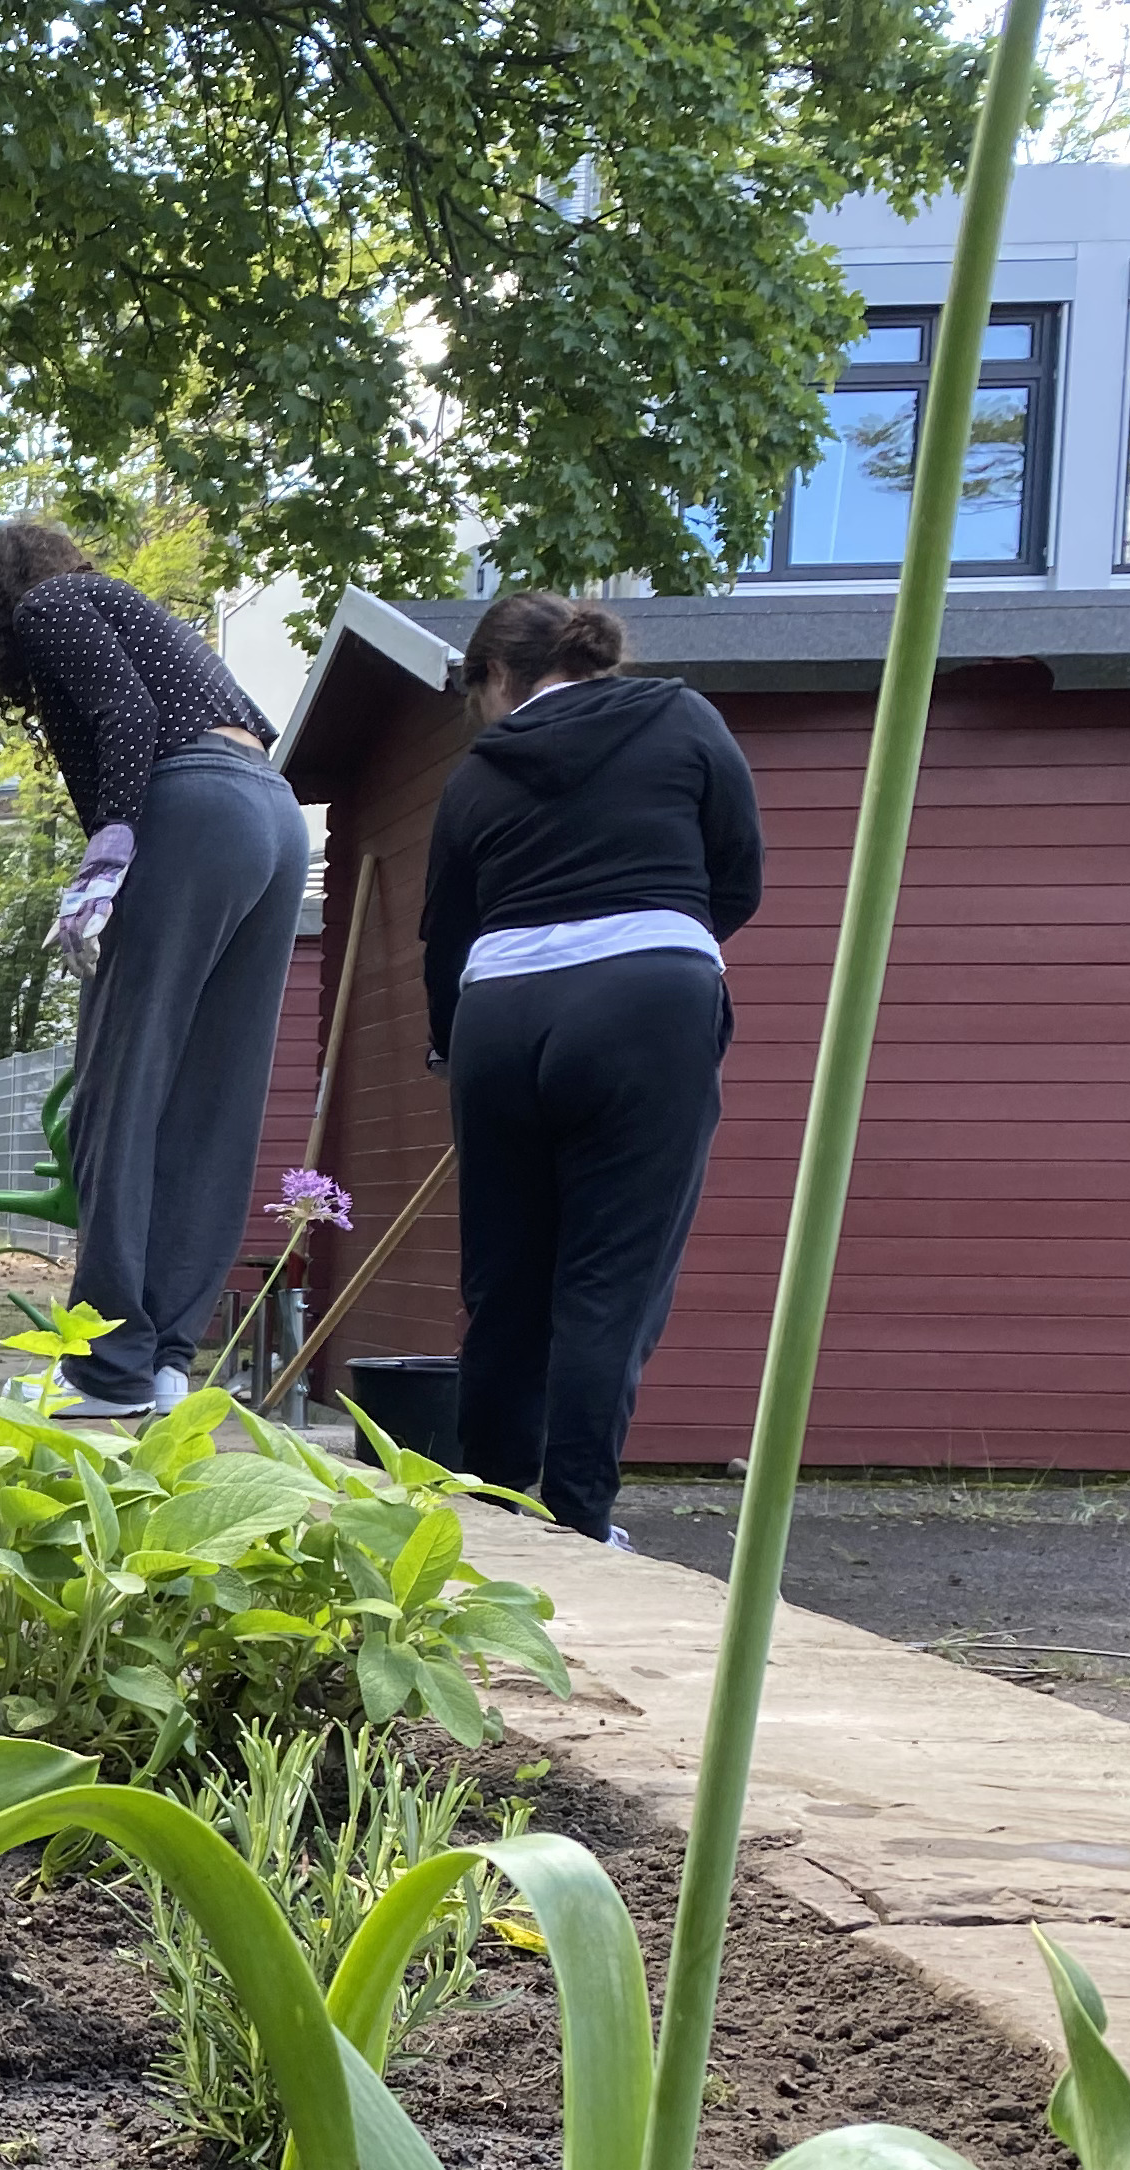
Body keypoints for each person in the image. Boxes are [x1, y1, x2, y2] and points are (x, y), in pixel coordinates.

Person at [0, 521, 309, 1417]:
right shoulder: (146, 615)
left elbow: (130, 718)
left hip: (194, 808)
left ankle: (106, 1369)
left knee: (122, 1086)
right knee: (210, 1105)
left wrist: (109, 851)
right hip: (275, 818)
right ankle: (164, 1361)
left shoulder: (49, 605)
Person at [419, 591, 763, 1546]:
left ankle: (486, 1519)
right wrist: (654, 957)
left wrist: (455, 1046)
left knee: (504, 1283)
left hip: (501, 1016)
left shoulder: (475, 776)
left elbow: (443, 933)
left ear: (494, 675)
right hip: (647, 1004)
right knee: (608, 1279)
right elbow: (739, 873)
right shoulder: (683, 719)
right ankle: (576, 1525)